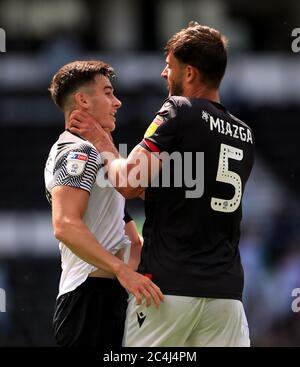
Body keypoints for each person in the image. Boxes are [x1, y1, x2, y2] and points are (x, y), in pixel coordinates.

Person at [69, 22, 255, 347]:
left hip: (168, 291)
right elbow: (193, 191)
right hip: (227, 296)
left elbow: (127, 182)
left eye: (169, 66)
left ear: (191, 74)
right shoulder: (244, 133)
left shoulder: (178, 110)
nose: (163, 73)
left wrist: (102, 143)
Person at [44, 60, 163, 347]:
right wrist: (121, 270)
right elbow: (64, 225)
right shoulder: (78, 152)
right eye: (108, 93)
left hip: (107, 295)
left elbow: (132, 240)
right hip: (88, 298)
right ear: (83, 100)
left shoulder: (94, 155)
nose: (117, 102)